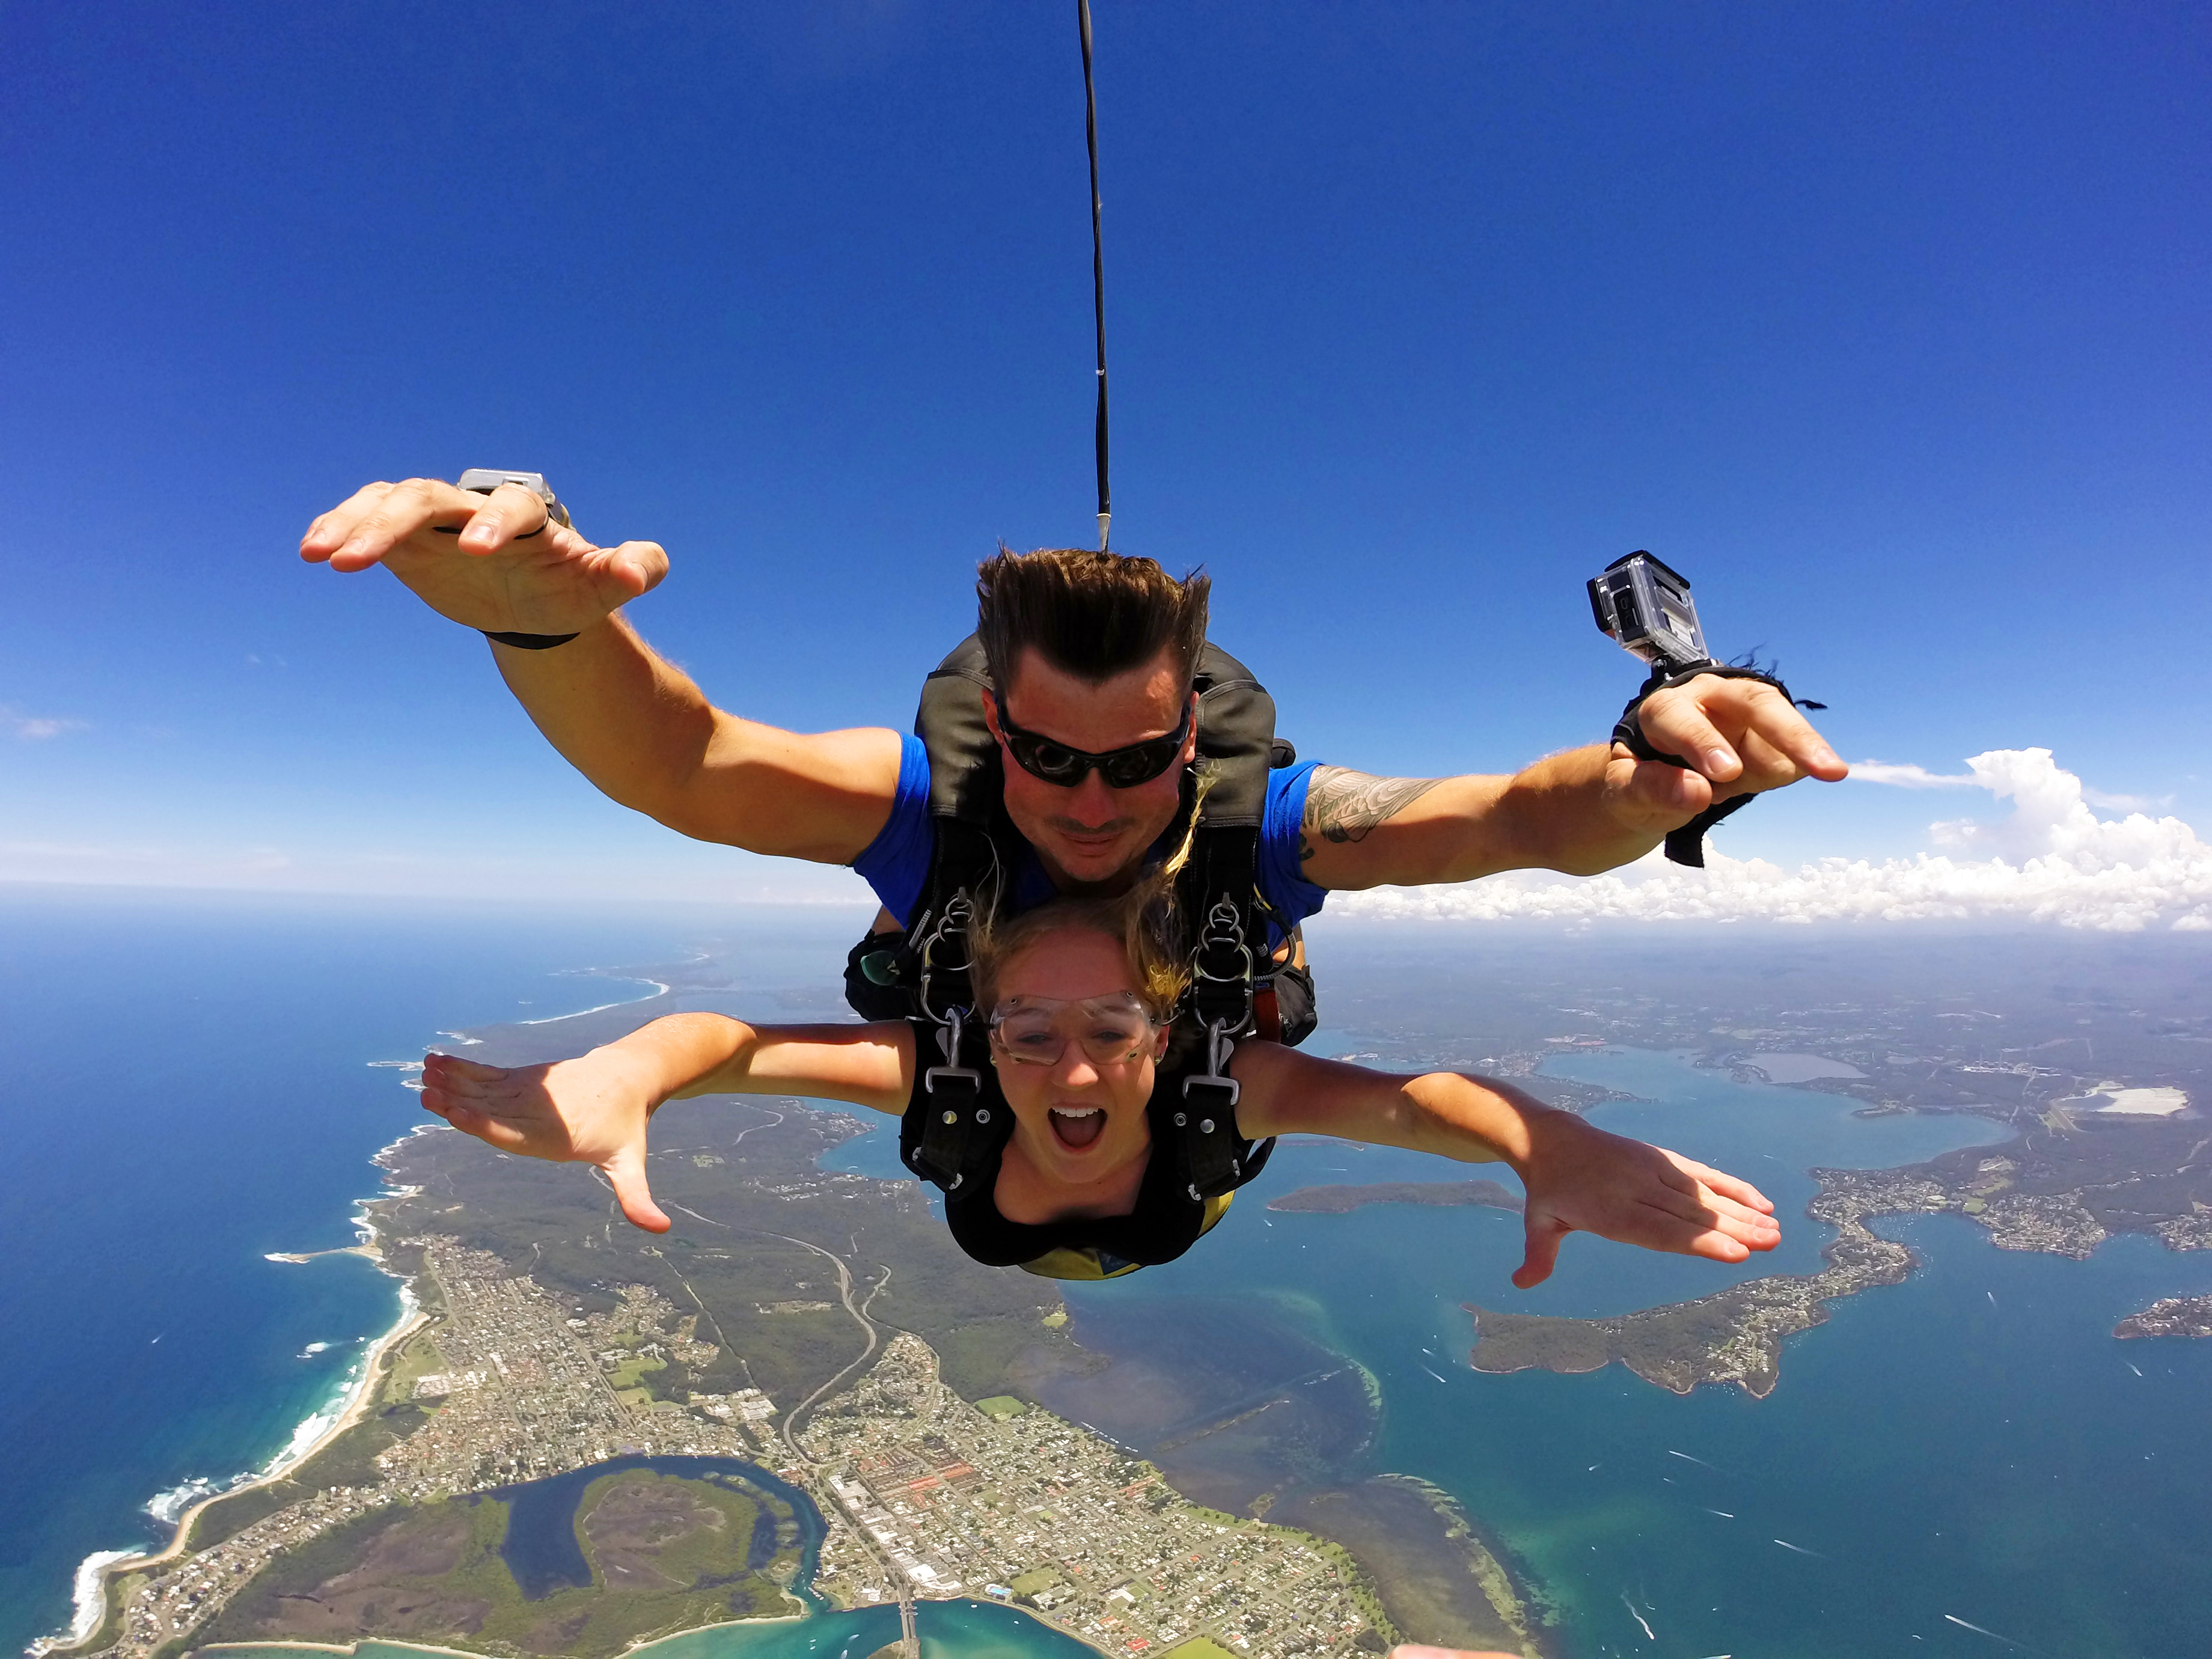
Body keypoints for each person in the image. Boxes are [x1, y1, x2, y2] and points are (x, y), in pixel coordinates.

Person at [300, 477, 1848, 1041]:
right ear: (994, 733)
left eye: (1140, 760)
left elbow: (1510, 818)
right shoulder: (927, 809)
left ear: (1194, 733)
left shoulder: (1268, 823)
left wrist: (1657, 768)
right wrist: (548, 633)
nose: (1093, 802)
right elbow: (685, 764)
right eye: (1045, 756)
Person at [417, 880, 1780, 1286]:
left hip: (1161, 1194)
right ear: (988, 1032)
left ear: (1160, 1032)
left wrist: (1538, 1141)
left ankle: (1254, 935)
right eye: (1027, 1033)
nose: (1072, 1068)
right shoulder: (944, 1079)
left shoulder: (1216, 1087)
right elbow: (723, 1044)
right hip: (1134, 1213)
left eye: (1115, 1029)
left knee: (1271, 1015)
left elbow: (1422, 1103)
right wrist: (627, 1073)